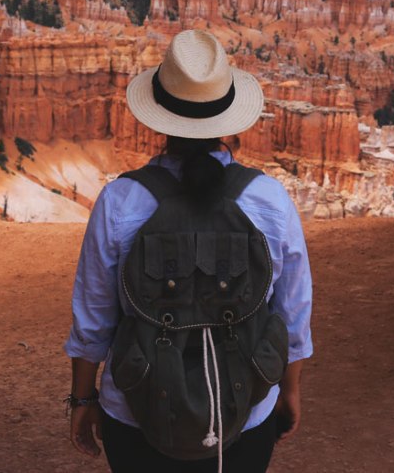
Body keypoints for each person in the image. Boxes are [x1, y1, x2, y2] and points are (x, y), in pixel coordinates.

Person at [65, 29, 313, 472]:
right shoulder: (269, 200)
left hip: (137, 410)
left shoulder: (120, 202)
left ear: (158, 117)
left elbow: (94, 316)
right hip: (245, 410)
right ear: (229, 123)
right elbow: (291, 311)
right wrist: (288, 390)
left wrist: (84, 398)